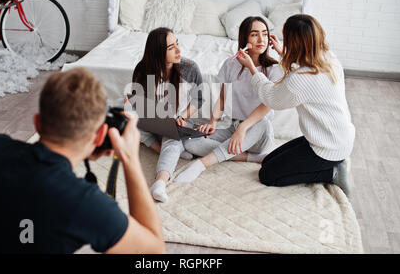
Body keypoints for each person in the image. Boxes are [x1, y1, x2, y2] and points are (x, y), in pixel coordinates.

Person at [0, 68, 165, 253]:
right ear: (100, 135)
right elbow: (154, 251)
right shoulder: (83, 202)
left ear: (38, 123)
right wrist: (129, 158)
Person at [236, 14, 355, 196]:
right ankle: (332, 165)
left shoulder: (301, 79)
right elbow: (303, 71)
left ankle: (332, 172)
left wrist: (252, 69)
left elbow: (272, 98)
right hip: (333, 137)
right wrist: (283, 52)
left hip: (328, 148)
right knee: (268, 160)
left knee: (267, 175)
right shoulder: (327, 58)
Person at [174, 16, 283, 183]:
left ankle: (201, 165)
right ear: (244, 38)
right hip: (232, 126)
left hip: (258, 132)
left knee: (263, 122)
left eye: (265, 34)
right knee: (190, 143)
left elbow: (267, 105)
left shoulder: (274, 69)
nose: (261, 39)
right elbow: (223, 97)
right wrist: (213, 122)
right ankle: (253, 158)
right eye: (254, 34)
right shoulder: (230, 65)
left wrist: (243, 129)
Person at [126, 27, 204, 203]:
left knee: (173, 135)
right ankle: (162, 150)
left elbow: (198, 99)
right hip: (152, 119)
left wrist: (183, 117)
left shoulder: (189, 68)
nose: (178, 50)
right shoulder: (142, 69)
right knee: (126, 117)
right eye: (171, 47)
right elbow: (138, 101)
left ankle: (159, 182)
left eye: (177, 43)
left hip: (177, 120)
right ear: (158, 53)